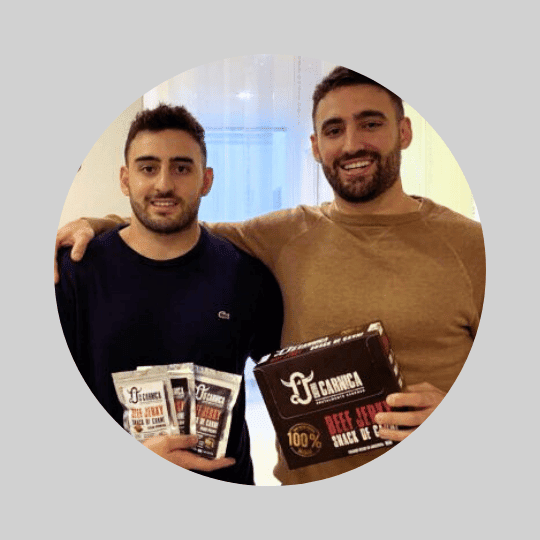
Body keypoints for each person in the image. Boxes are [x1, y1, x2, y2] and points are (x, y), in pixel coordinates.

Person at [54, 67, 485, 485]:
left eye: (370, 123)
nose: (352, 143)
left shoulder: (473, 246)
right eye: (334, 130)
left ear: (404, 132)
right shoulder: (282, 236)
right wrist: (95, 227)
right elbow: (174, 231)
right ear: (315, 146)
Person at [55, 104, 283, 485]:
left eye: (181, 168)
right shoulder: (76, 272)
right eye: (148, 168)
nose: (163, 184)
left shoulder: (246, 275)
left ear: (206, 180)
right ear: (125, 179)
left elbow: (291, 376)